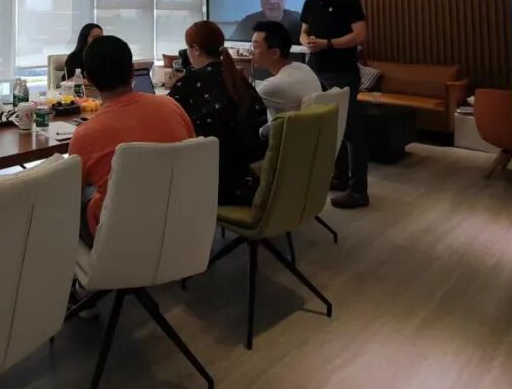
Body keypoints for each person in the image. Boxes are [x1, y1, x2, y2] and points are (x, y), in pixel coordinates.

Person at [68, 35, 195, 245]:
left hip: (118, 236)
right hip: (177, 222)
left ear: (88, 78)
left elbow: (70, 194)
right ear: (132, 70)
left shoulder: (86, 134)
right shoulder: (172, 107)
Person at [168, 21, 267, 204]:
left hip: (213, 183)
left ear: (196, 49)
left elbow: (166, 121)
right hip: (248, 179)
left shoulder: (188, 84)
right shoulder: (238, 79)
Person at [300, 0, 369, 209]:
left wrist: (328, 44)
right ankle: (339, 178)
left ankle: (359, 190)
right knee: (328, 128)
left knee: (351, 131)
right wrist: (307, 42)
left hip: (342, 72)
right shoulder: (309, 3)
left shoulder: (347, 0)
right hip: (315, 71)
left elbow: (360, 35)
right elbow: (303, 32)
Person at [251, 20, 322, 118]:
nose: (251, 52)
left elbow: (242, 107)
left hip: (291, 128)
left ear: (275, 53)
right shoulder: (303, 68)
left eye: (255, 47)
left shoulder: (271, 86)